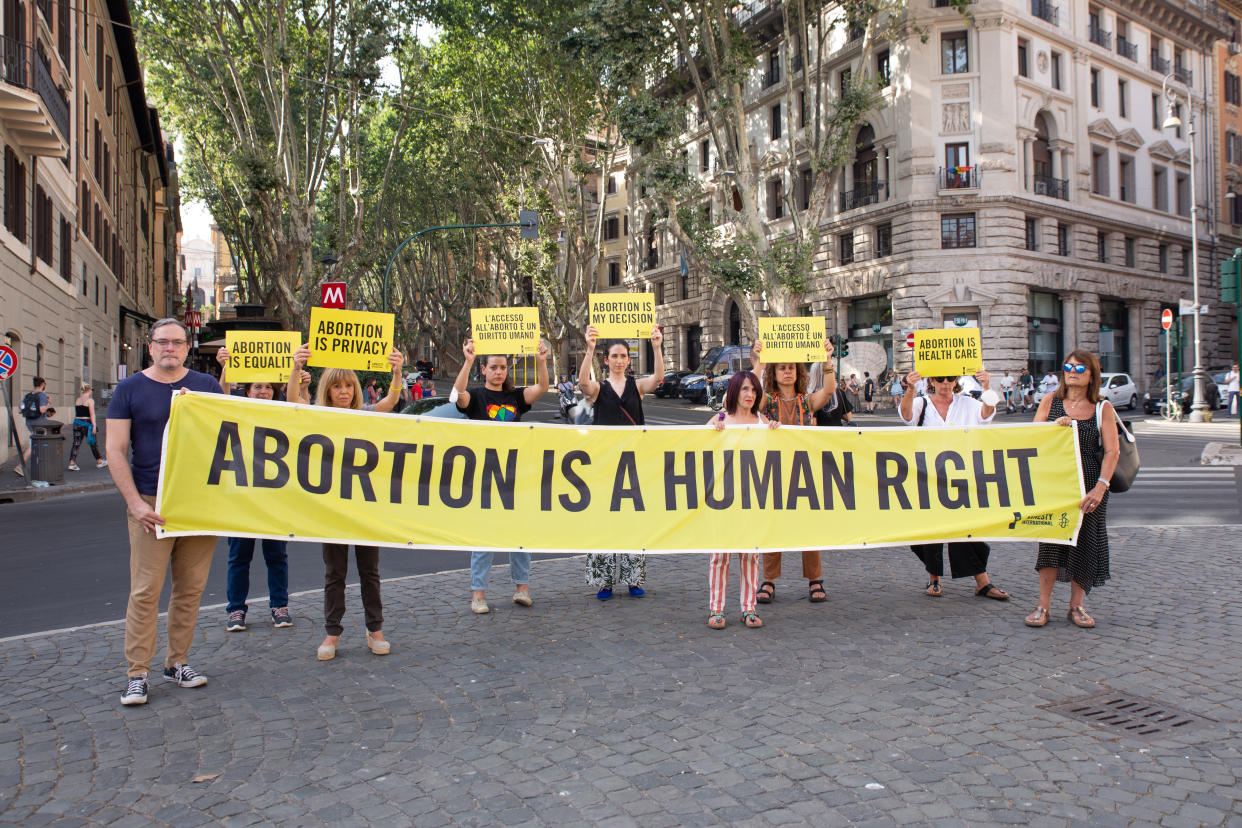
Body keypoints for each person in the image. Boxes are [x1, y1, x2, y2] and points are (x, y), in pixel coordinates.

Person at [106, 319, 222, 706]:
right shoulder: (129, 389)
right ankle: (137, 673)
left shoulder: (207, 388)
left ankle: (177, 662)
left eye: (177, 342)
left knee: (190, 590)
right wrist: (135, 504)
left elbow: (228, 441)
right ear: (150, 346)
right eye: (162, 342)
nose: (169, 348)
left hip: (198, 505)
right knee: (145, 591)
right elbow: (115, 451)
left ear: (188, 347)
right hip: (151, 504)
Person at [301, 347, 404, 661]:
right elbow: (293, 403)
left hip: (364, 506)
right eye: (336, 386)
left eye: (348, 386)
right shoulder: (318, 415)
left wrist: (397, 371)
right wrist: (296, 370)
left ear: (356, 389)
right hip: (332, 508)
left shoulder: (367, 413)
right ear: (327, 390)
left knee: (369, 571)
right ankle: (332, 632)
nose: (343, 391)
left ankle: (375, 629)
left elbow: (391, 401)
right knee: (335, 573)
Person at [454, 338, 550, 613]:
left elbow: (542, 387)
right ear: (483, 370)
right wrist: (468, 359)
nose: (499, 372)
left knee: (520, 533)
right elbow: (457, 393)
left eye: (503, 368)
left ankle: (522, 588)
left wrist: (542, 361)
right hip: (485, 474)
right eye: (494, 367)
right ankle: (478, 594)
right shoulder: (476, 397)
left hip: (515, 474)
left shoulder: (516, 397)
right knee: (484, 535)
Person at [899, 368, 1010, 602]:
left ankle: (983, 581)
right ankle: (934, 578)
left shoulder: (967, 403)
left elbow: (987, 413)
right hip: (928, 475)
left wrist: (988, 387)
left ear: (957, 380)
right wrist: (910, 388)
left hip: (962, 476)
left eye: (950, 378)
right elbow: (907, 415)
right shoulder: (922, 403)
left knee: (967, 528)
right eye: (940, 378)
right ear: (932, 380)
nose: (946, 382)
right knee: (931, 529)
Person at [1025, 350, 1118, 629]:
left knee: (1086, 544)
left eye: (1080, 368)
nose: (1072, 371)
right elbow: (1032, 436)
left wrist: (1100, 488)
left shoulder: (1102, 407)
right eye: (1068, 366)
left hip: (1090, 485)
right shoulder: (1051, 401)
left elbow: (1112, 452)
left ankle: (1076, 606)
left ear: (1092, 375)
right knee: (1051, 543)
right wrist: (1054, 427)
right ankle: (1043, 605)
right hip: (1055, 484)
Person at [214, 346, 303, 632]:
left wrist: (297, 373)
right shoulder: (236, 409)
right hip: (241, 496)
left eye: (267, 386)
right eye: (257, 386)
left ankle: (279, 605)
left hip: (275, 495)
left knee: (276, 555)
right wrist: (225, 368)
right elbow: (220, 397)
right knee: (239, 556)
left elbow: (301, 404)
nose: (263, 391)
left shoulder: (282, 412)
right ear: (247, 390)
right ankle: (236, 610)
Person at [578, 325, 665, 599]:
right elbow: (583, 383)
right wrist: (589, 349)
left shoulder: (636, 386)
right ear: (606, 360)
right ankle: (604, 581)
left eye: (623, 356)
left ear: (629, 360)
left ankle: (633, 579)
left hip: (633, 464)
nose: (618, 360)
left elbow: (658, 378)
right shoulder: (598, 388)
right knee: (604, 521)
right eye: (614, 356)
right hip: (604, 464)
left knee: (632, 520)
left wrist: (657, 347)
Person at [750, 339, 836, 605]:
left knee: (808, 527)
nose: (787, 372)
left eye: (791, 368)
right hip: (773, 473)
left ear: (798, 373)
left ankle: (815, 579)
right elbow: (750, 393)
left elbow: (829, 390)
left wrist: (827, 360)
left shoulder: (806, 401)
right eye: (781, 368)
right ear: (774, 374)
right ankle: (769, 580)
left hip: (804, 472)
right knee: (772, 526)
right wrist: (759, 362)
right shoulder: (767, 401)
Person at [705, 371, 776, 629]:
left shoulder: (761, 420)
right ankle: (716, 609)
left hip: (752, 498)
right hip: (723, 499)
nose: (750, 395)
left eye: (754, 390)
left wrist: (776, 433)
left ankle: (748, 608)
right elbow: (695, 449)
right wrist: (712, 432)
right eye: (745, 389)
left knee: (750, 555)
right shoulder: (720, 418)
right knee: (720, 557)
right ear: (735, 391)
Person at [12, 376, 49, 476]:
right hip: (40, 424)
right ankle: (20, 466)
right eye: (45, 384)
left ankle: (39, 465)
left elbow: (20, 410)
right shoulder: (42, 395)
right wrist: (47, 403)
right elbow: (42, 410)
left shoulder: (27, 395)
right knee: (34, 445)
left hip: (29, 423)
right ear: (42, 384)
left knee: (37, 444)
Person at [67, 384, 106, 471]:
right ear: (89, 390)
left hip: (77, 422)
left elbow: (77, 412)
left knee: (76, 443)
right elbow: (92, 414)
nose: (92, 391)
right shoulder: (90, 400)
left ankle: (72, 463)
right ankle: (99, 461)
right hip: (86, 423)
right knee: (93, 443)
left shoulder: (78, 399)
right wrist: (94, 426)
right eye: (92, 389)